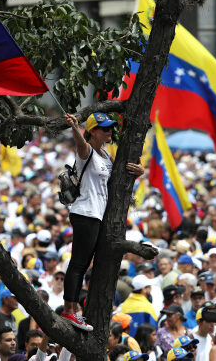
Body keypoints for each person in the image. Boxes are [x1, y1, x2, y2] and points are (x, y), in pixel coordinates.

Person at [61, 112, 144, 331]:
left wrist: (140, 170)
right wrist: (74, 128)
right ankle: (70, 311)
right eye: (104, 128)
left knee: (84, 263)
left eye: (110, 127)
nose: (109, 131)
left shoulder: (107, 155)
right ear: (93, 131)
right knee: (78, 263)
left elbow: (121, 174)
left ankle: (73, 309)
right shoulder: (86, 151)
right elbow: (80, 144)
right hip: (85, 212)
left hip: (97, 215)